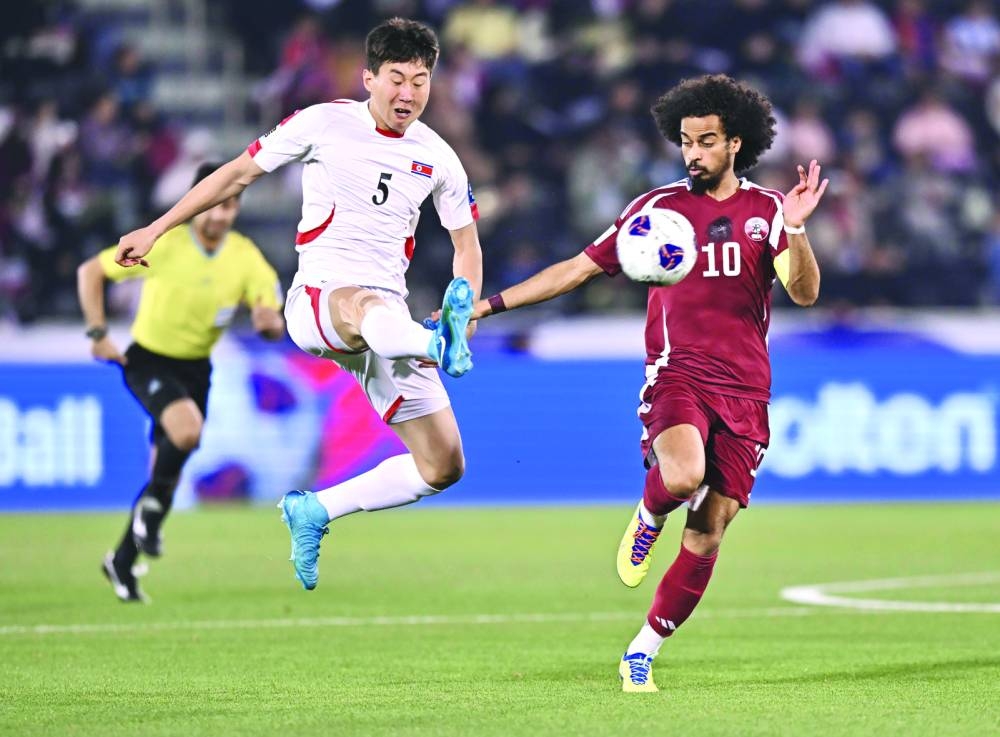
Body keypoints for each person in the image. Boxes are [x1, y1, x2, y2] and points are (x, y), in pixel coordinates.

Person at [470, 74, 827, 692]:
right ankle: (647, 512)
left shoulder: (767, 212)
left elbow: (805, 292)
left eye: (707, 142)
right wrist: (490, 304)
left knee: (709, 528)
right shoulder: (656, 210)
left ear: (735, 143)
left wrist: (796, 229)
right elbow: (577, 270)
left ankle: (642, 649)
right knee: (682, 476)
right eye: (687, 141)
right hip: (678, 373)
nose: (694, 154)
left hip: (746, 391)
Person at [113, 18, 482, 592]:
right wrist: (156, 230)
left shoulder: (438, 158)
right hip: (319, 302)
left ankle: (316, 510)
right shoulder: (324, 122)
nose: (408, 93)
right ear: (368, 78)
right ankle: (436, 340)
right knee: (363, 308)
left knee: (444, 465)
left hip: (387, 320)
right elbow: (236, 174)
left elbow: (467, 246)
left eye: (420, 80)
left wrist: (471, 306)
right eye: (396, 79)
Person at [78, 162, 286, 603]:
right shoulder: (166, 244)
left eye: (230, 206)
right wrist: (98, 334)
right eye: (213, 204)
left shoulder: (245, 257)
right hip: (149, 359)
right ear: (196, 204)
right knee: (187, 431)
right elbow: (90, 273)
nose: (219, 215)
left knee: (166, 478)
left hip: (196, 368)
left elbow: (271, 313)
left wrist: (270, 321)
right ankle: (148, 522)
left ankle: (121, 561)